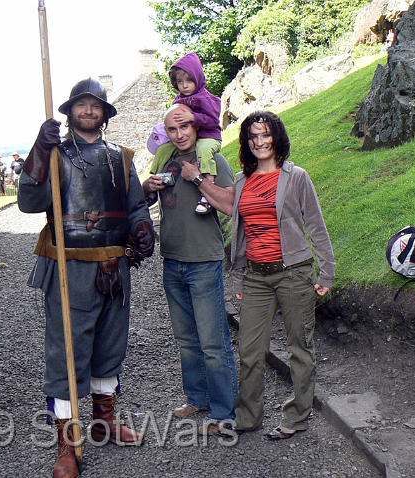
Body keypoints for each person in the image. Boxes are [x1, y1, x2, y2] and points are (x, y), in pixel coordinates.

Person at [17, 78, 155, 478]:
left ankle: (104, 420)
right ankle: (68, 442)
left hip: (115, 266)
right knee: (68, 352)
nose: (89, 111)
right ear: (70, 110)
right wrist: (40, 149)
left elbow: (134, 207)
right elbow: (28, 202)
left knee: (111, 345)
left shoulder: (122, 157)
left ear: (105, 113)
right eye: (82, 104)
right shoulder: (56, 155)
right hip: (70, 266)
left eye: (96, 105)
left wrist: (143, 230)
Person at [228, 111, 335, 439]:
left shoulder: (296, 176)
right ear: (248, 143)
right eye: (253, 137)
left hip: (294, 274)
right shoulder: (241, 181)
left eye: (265, 135)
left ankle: (296, 417)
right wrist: (238, 277)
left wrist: (327, 272)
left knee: (299, 349)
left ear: (277, 138)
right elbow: (241, 233)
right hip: (256, 278)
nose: (260, 142)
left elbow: (315, 224)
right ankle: (247, 416)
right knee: (249, 352)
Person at [142, 103, 238, 435]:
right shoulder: (165, 160)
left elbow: (229, 205)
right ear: (165, 133)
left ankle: (225, 413)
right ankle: (197, 398)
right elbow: (145, 203)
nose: (179, 134)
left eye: (184, 127)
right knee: (186, 339)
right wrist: (147, 188)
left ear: (196, 127)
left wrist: (197, 178)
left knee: (214, 341)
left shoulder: (212, 160)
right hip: (173, 261)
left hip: (204, 262)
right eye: (172, 129)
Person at [150, 52, 222, 215]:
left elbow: (213, 120)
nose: (185, 85)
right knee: (163, 150)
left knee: (203, 150)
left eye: (189, 80)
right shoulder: (178, 100)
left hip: (209, 136)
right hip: (190, 141)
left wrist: (193, 117)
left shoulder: (206, 98)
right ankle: (155, 179)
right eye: (180, 82)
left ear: (197, 78)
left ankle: (207, 191)